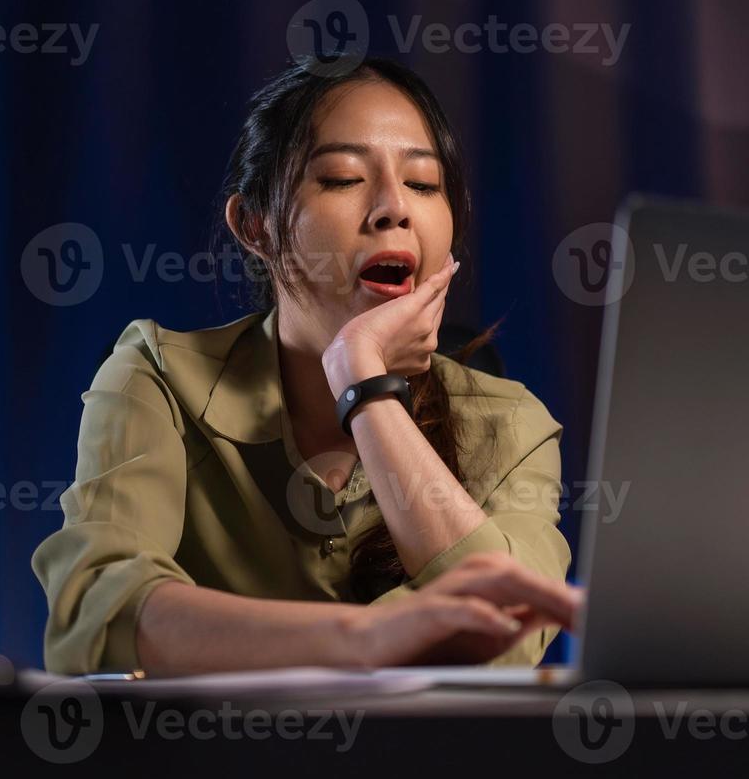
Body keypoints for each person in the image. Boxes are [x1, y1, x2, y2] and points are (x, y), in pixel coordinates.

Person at [32, 56, 582, 676]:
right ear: (256, 226)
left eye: (425, 185)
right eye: (344, 178)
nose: (393, 208)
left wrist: (365, 384)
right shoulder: (157, 378)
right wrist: (364, 636)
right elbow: (97, 620)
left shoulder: (511, 424)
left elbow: (507, 641)